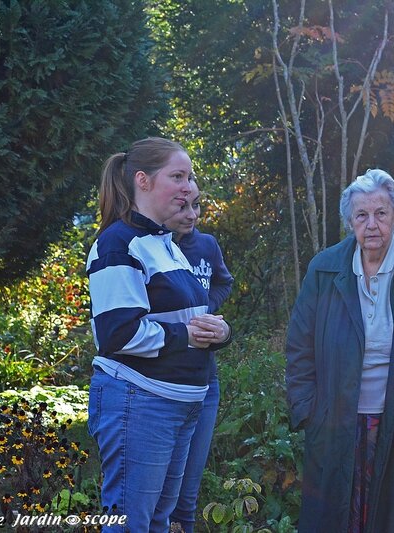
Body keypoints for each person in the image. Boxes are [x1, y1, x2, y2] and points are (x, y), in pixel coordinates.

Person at [86, 137, 233, 532]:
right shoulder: (118, 243)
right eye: (178, 176)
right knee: (130, 525)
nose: (189, 187)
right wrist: (187, 334)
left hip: (180, 404)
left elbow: (193, 315)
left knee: (156, 523)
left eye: (190, 177)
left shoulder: (166, 244)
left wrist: (220, 330)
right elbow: (118, 335)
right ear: (143, 181)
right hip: (140, 402)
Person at [286, 169, 394, 532]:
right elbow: (299, 345)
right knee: (335, 517)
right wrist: (307, 410)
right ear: (349, 222)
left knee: (392, 518)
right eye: (361, 215)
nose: (371, 224)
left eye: (381, 214)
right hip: (335, 420)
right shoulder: (325, 269)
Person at [164, 178, 235, 533]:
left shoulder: (206, 245)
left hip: (206, 379)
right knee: (160, 498)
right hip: (163, 381)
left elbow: (224, 281)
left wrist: (206, 309)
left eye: (197, 206)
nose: (192, 214)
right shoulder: (152, 250)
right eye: (183, 207)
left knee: (187, 497)